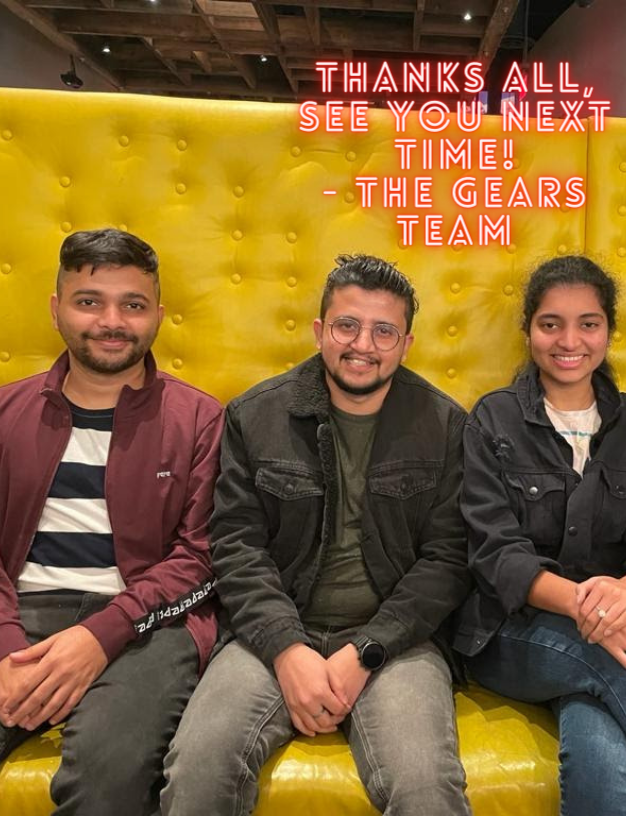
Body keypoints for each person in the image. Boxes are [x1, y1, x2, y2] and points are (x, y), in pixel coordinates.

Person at [0, 228, 222, 815]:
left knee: (109, 775)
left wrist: (100, 637)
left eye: (133, 304)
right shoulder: (2, 412)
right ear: (56, 310)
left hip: (144, 627)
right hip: (14, 613)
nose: (111, 321)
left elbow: (201, 556)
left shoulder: (199, 419)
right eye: (89, 301)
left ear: (157, 316)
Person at [162, 254, 473, 816]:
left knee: (427, 788)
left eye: (384, 331)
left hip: (395, 642)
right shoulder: (255, 416)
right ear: (319, 330)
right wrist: (287, 650)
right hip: (272, 634)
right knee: (198, 769)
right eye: (346, 325)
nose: (363, 345)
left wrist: (366, 652)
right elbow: (236, 547)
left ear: (406, 344)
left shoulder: (445, 424)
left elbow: (447, 561)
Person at [455, 255, 626, 816]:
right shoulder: (494, 419)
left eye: (588, 323)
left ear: (608, 330)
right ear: (528, 330)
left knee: (602, 755)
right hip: (513, 631)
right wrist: (594, 608)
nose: (569, 341)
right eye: (550, 324)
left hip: (620, 624)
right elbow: (496, 553)